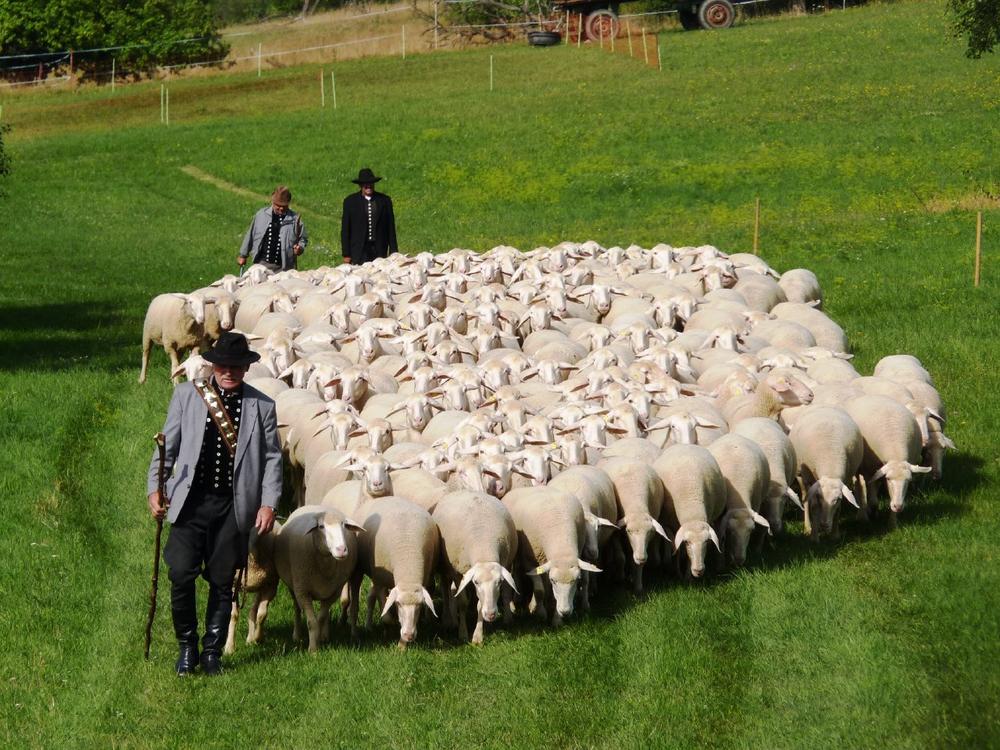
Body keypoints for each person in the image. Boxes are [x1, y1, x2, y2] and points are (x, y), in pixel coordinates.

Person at [146, 331, 282, 676]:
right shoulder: (186, 397)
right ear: (213, 364)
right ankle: (187, 648)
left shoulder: (262, 406)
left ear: (246, 369)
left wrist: (268, 504)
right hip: (190, 502)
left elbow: (272, 460)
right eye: (224, 365)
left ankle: (212, 653)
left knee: (224, 580)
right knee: (180, 572)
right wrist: (156, 487)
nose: (229, 372)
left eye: (237, 366)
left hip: (233, 507)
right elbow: (168, 447)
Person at [238, 185, 308, 272]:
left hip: (284, 268)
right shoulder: (261, 215)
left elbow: (303, 239)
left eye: (284, 206)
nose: (281, 208)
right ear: (273, 202)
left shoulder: (295, 219)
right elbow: (250, 235)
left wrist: (300, 249)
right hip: (261, 265)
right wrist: (243, 255)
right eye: (278, 205)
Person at [340, 167, 398, 265]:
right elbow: (345, 229)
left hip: (379, 249)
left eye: (371, 183)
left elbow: (390, 228)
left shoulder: (384, 201)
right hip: (359, 250)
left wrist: (394, 251)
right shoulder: (350, 202)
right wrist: (346, 254)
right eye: (365, 184)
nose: (368, 186)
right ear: (360, 185)